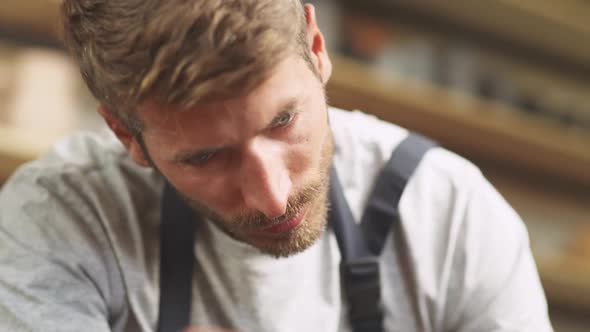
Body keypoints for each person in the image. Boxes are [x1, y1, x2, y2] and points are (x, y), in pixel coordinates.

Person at [0, 0, 553, 331]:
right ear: (127, 135)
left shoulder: (452, 214)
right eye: (206, 157)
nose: (272, 196)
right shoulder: (57, 217)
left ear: (316, 47)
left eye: (283, 122)